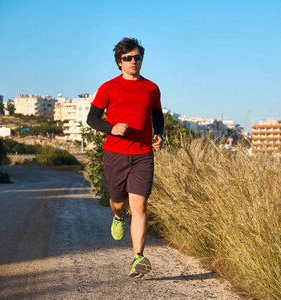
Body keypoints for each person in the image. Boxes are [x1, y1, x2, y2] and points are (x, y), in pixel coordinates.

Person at [86, 37, 164, 278]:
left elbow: (157, 114)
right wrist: (111, 129)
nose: (133, 61)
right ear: (119, 62)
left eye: (137, 57)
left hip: (142, 155)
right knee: (119, 201)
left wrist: (160, 133)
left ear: (141, 60)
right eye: (127, 58)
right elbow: (92, 119)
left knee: (139, 205)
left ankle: (137, 258)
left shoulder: (152, 87)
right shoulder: (108, 87)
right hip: (115, 153)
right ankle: (118, 216)